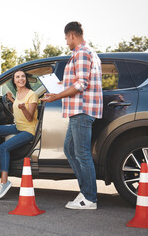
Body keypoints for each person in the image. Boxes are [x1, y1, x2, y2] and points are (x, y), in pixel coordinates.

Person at [41, 21, 103, 209]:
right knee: (69, 149)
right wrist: (59, 86)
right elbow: (77, 80)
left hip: (82, 110)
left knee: (82, 153)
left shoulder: (82, 53)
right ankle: (85, 191)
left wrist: (57, 97)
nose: (66, 41)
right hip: (77, 111)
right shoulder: (81, 53)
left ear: (72, 35)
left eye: (66, 37)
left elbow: (82, 83)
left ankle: (90, 198)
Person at [0, 70, 38, 200]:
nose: (21, 79)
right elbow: (17, 112)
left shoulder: (32, 95)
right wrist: (11, 99)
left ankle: (4, 182)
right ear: (14, 80)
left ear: (25, 79)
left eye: (23, 76)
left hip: (28, 131)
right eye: (18, 77)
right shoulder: (18, 93)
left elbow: (30, 118)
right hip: (18, 127)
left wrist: (23, 108)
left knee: (5, 147)